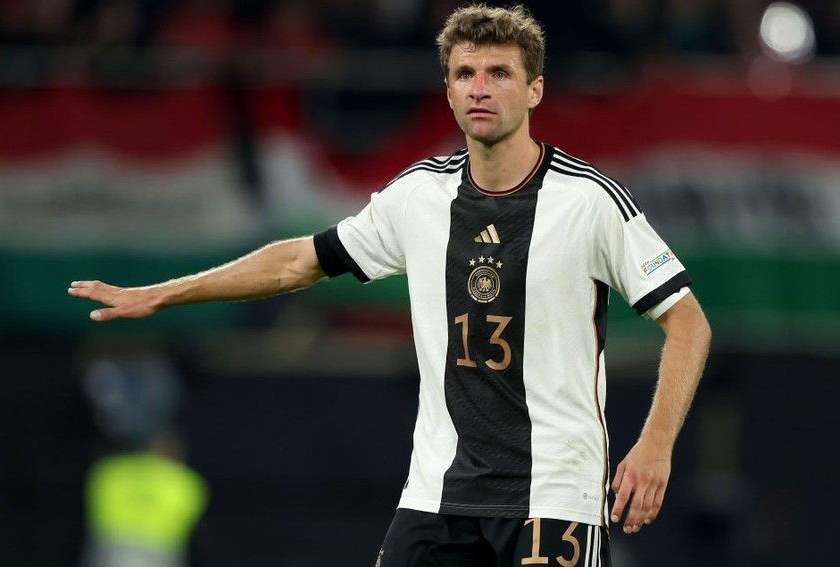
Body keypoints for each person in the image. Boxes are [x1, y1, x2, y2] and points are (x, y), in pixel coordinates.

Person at [69, 4, 711, 566]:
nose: (479, 89)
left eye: (499, 74)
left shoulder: (590, 202)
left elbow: (687, 321)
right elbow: (299, 261)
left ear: (535, 90)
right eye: (465, 74)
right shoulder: (419, 197)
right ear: (449, 89)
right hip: (437, 493)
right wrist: (164, 293)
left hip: (554, 491)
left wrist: (655, 444)